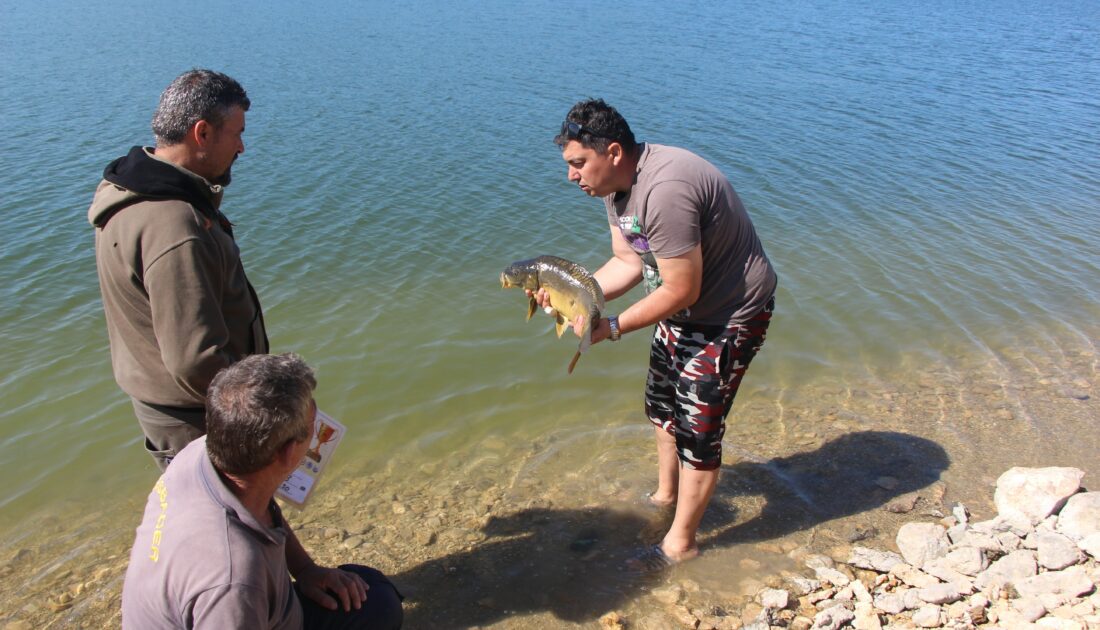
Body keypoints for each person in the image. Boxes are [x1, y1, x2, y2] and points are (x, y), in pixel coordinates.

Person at [546, 99, 777, 567]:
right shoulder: (614, 187)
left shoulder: (666, 188)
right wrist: (580, 300)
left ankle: (680, 545)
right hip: (681, 309)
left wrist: (610, 327)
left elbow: (681, 287)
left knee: (697, 429)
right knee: (661, 407)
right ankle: (665, 496)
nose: (571, 176)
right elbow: (629, 261)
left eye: (577, 164)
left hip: (729, 314)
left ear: (612, 151)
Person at [121, 353, 403, 629]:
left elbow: (262, 504)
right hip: (237, 601)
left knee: (364, 586)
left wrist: (305, 569)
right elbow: (232, 592)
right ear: (289, 452)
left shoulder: (201, 453)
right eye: (312, 426)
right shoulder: (234, 580)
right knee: (378, 608)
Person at [87, 69, 269, 469]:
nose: (242, 147)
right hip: (198, 421)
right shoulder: (173, 225)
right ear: (202, 133)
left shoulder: (133, 192)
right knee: (229, 527)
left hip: (176, 411)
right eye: (237, 133)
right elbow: (196, 360)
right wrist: (264, 415)